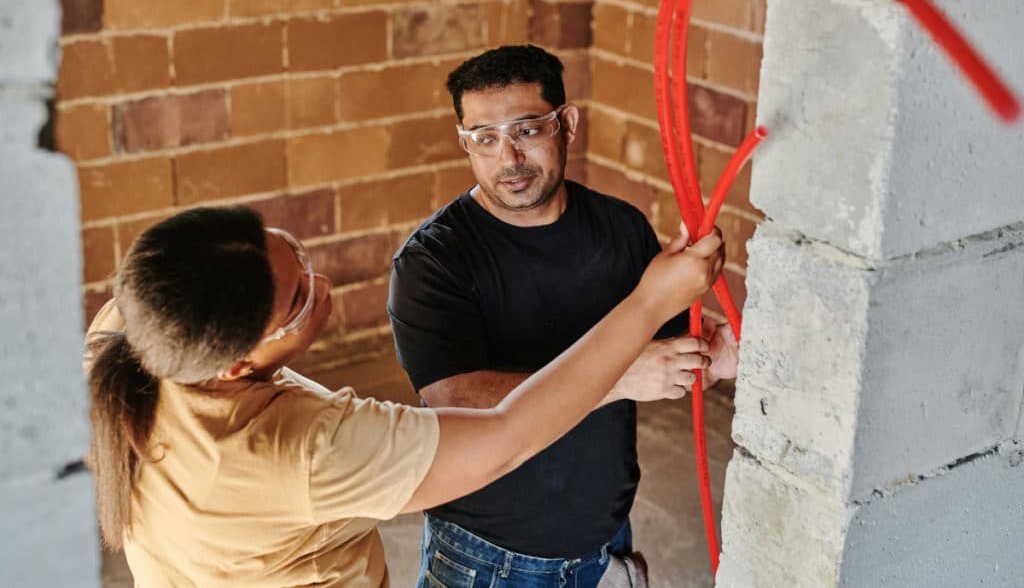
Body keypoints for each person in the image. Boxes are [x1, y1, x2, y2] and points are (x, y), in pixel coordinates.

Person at [85, 205, 724, 587]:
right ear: (235, 365)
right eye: (299, 298)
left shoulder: (126, 330)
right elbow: (506, 437)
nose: (323, 280)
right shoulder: (303, 451)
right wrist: (647, 307)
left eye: (295, 252)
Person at [387, 45, 740, 587]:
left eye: (527, 130)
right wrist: (623, 377)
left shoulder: (621, 229)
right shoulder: (432, 261)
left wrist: (715, 358)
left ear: (566, 123)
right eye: (484, 138)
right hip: (491, 557)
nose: (508, 158)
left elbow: (668, 362)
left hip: (605, 538)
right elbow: (459, 403)